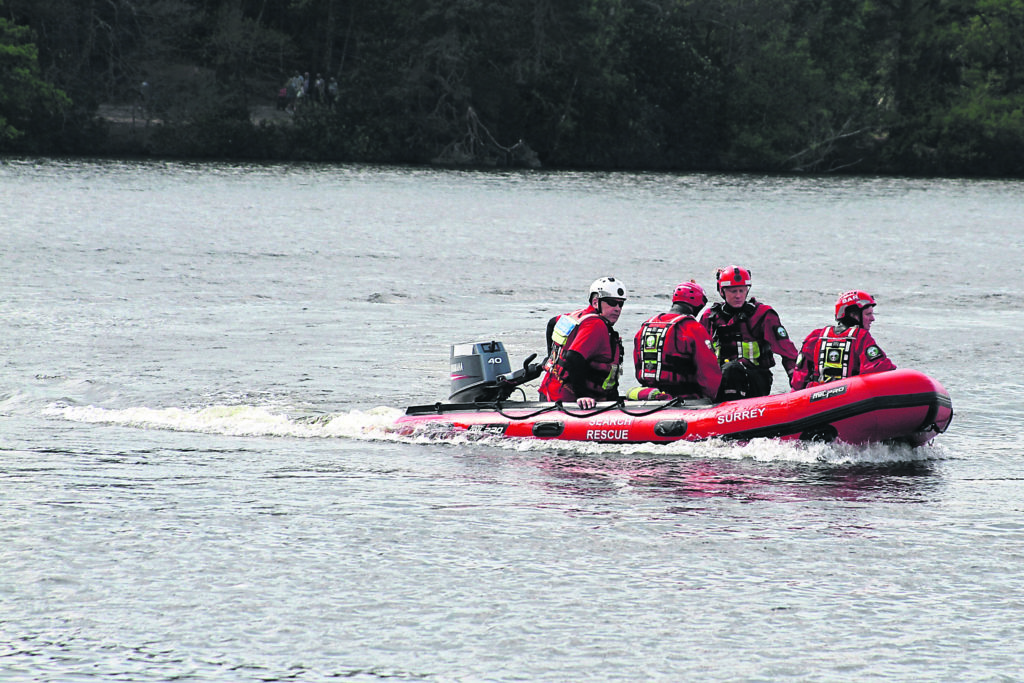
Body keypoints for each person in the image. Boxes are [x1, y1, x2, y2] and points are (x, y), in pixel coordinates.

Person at [700, 265, 798, 400]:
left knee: (732, 368)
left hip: (755, 379)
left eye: (742, 290)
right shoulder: (710, 317)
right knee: (728, 370)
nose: (738, 295)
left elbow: (787, 352)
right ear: (722, 291)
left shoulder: (763, 315)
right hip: (721, 380)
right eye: (733, 291)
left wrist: (798, 385)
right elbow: (698, 353)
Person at [539, 277, 626, 408]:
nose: (617, 308)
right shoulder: (596, 324)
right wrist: (582, 395)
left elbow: (552, 323)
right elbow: (574, 357)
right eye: (612, 302)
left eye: (621, 304)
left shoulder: (579, 315)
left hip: (550, 391)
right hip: (566, 400)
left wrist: (551, 357)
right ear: (596, 302)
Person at [628, 281, 722, 401]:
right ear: (699, 304)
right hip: (685, 398)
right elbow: (709, 373)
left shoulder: (646, 326)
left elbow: (638, 365)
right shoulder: (694, 329)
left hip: (650, 396)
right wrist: (714, 398)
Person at [790, 290, 896, 390]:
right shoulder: (861, 337)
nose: (873, 319)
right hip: (851, 396)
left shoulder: (816, 336)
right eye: (868, 314)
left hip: (816, 397)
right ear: (853, 315)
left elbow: (798, 380)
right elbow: (880, 368)